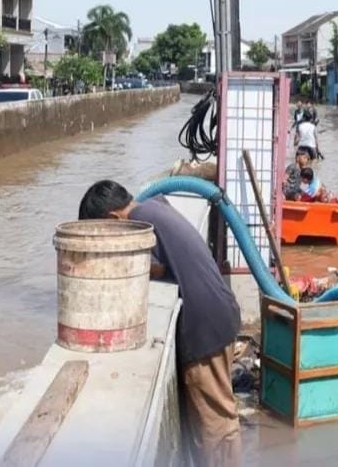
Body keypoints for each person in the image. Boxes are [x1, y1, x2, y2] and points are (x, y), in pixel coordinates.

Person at [78, 181, 241, 467]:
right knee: (219, 418)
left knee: (216, 426)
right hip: (218, 314)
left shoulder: (141, 224)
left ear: (114, 219)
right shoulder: (154, 206)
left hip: (205, 326)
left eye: (104, 233)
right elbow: (164, 267)